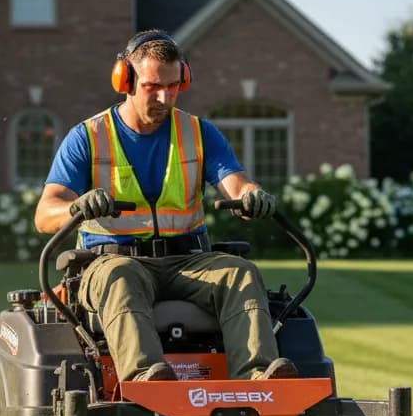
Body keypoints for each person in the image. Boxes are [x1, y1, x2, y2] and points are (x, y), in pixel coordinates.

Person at [34, 29, 298, 383]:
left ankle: (257, 380)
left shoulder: (199, 133)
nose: (165, 96)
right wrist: (76, 207)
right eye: (153, 87)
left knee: (240, 272)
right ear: (124, 80)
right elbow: (44, 213)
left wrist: (252, 194)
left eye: (173, 86)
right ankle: (147, 379)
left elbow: (236, 182)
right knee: (121, 277)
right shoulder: (88, 137)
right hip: (113, 260)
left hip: (189, 260)